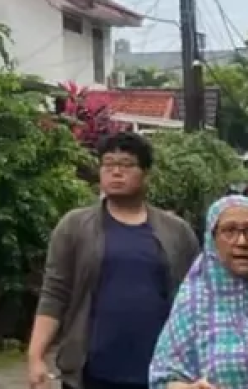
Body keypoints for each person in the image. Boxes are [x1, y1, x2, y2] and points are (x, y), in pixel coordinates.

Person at [27, 131, 201, 389]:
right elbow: (55, 293)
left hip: (162, 371)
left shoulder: (177, 231)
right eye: (108, 164)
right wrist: (36, 356)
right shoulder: (75, 226)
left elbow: (196, 299)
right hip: (91, 371)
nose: (116, 172)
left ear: (146, 174)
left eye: (127, 165)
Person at [148, 195, 248, 389]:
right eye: (229, 231)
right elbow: (163, 379)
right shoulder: (195, 303)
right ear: (212, 239)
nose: (242, 241)